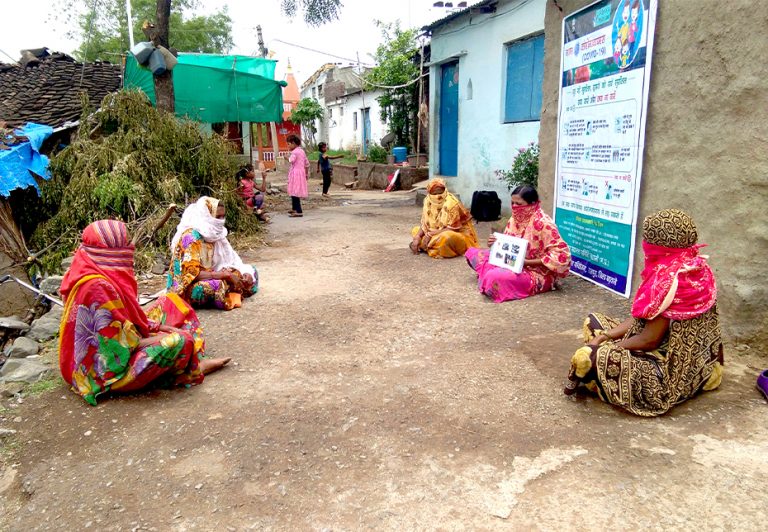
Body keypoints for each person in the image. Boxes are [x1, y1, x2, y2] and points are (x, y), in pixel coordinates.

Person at [564, 209, 724, 417]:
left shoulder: (670, 281)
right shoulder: (696, 266)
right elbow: (642, 318)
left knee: (590, 357)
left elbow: (650, 340)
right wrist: (604, 336)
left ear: (658, 244)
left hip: (668, 367)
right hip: (700, 362)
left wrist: (609, 347)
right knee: (593, 321)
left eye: (648, 240)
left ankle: (601, 381)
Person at [58, 220, 230, 405]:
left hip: (123, 336)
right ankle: (190, 368)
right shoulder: (98, 287)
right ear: (112, 250)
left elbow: (126, 320)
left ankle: (190, 359)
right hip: (105, 371)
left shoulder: (88, 267)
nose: (131, 247)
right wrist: (171, 333)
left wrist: (160, 327)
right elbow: (122, 348)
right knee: (182, 340)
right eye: (126, 243)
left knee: (171, 301)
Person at [465, 185, 571, 302]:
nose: (515, 207)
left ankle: (492, 278)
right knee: (473, 253)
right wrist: (494, 243)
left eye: (519, 204)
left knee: (493, 276)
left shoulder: (544, 224)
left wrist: (526, 262)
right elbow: (507, 244)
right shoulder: (514, 219)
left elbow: (562, 257)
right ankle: (492, 277)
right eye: (512, 203)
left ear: (532, 203)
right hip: (511, 262)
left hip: (535, 271)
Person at [167, 196, 258, 310]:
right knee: (215, 286)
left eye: (223, 216)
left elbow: (231, 259)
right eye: (217, 217)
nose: (221, 221)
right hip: (186, 285)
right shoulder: (191, 237)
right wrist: (225, 275)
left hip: (212, 274)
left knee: (250, 273)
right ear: (207, 216)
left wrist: (243, 272)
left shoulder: (216, 234)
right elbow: (191, 274)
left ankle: (230, 290)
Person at [410, 178, 479, 258]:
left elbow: (453, 229)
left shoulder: (452, 204)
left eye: (440, 193)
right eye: (434, 194)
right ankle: (429, 245)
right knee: (415, 231)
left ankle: (426, 246)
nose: (438, 196)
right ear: (429, 194)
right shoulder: (427, 201)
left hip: (456, 234)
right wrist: (417, 236)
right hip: (434, 233)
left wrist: (430, 234)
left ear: (445, 191)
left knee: (446, 237)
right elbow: (425, 224)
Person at [285, 134, 310, 217]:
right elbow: (306, 164)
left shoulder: (295, 152)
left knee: (294, 192)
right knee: (294, 191)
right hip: (301, 173)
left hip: (295, 174)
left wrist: (286, 157)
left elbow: (291, 160)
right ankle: (294, 208)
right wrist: (306, 174)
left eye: (289, 144)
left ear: (293, 143)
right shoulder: (302, 151)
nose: (288, 146)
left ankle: (298, 210)